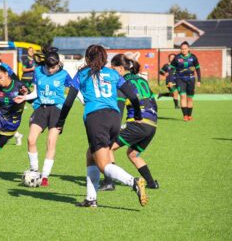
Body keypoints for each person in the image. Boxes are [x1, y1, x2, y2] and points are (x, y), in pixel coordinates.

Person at [56, 45, 148, 207]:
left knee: (103, 164)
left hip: (96, 118)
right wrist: (138, 115)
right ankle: (91, 199)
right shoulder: (113, 73)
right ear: (105, 58)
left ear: (87, 57)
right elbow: (133, 95)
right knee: (90, 154)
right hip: (114, 118)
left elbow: (68, 101)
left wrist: (60, 123)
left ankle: (134, 182)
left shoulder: (82, 74)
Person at [14, 47, 82, 187]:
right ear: (45, 65)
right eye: (49, 67)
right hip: (41, 108)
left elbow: (75, 90)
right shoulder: (38, 72)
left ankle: (44, 176)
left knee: (51, 142)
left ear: (58, 65)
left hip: (57, 110)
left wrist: (84, 101)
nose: (52, 70)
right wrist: (24, 97)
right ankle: (34, 170)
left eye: (55, 67)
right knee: (31, 139)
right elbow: (35, 93)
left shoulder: (64, 74)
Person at [100, 54, 159, 191]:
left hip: (137, 123)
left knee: (108, 147)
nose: (111, 72)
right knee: (132, 153)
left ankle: (109, 182)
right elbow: (152, 101)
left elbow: (119, 108)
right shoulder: (141, 80)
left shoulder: (121, 82)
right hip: (152, 124)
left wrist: (113, 127)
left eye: (113, 69)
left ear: (120, 69)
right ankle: (151, 183)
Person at [170, 41, 201, 121]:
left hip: (191, 79)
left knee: (190, 98)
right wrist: (171, 80)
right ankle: (185, 116)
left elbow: (197, 68)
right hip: (180, 79)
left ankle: (189, 115)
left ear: (188, 49)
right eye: (182, 49)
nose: (183, 50)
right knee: (183, 96)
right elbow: (172, 69)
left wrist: (199, 80)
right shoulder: (177, 57)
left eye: (185, 49)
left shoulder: (193, 57)